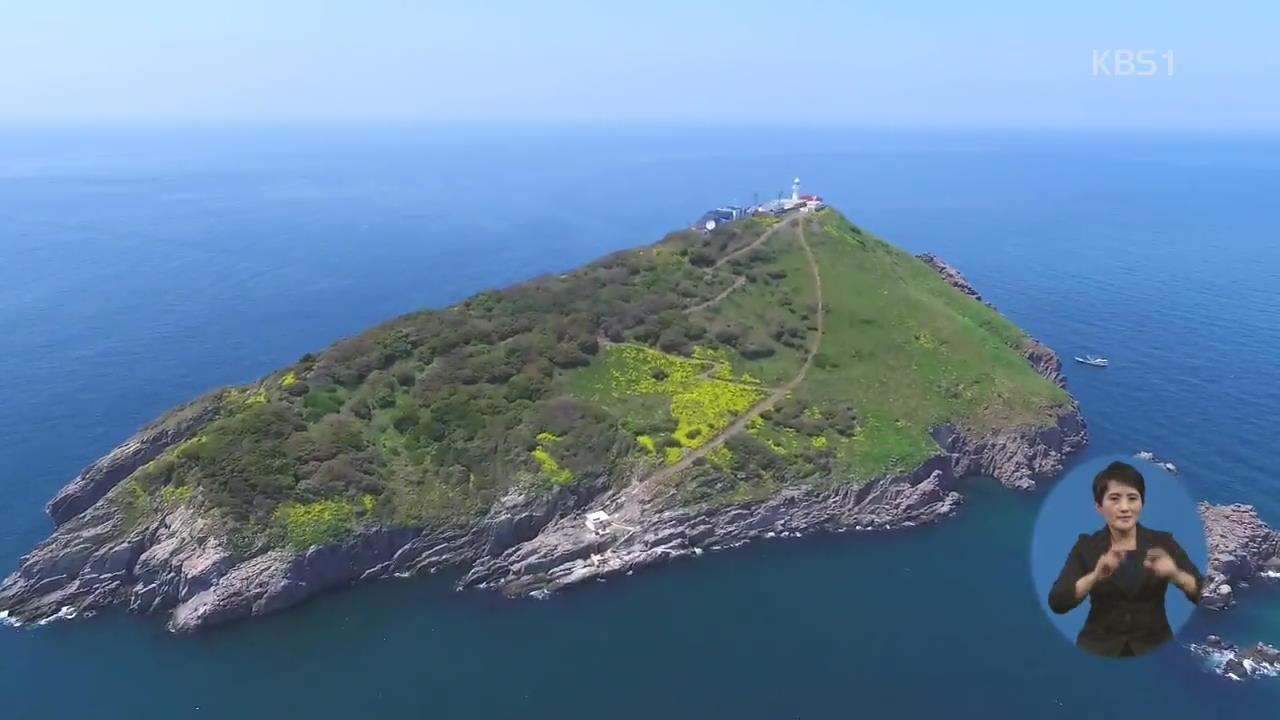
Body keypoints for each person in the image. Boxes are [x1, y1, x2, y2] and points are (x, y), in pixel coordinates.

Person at [1048, 461, 1203, 657]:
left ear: (1142, 503)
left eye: (1132, 498)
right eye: (1114, 499)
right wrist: (1094, 576)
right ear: (1099, 506)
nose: (1125, 508)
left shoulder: (1164, 544)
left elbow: (1202, 593)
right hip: (1097, 649)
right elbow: (1058, 602)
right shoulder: (1086, 547)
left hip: (1155, 651)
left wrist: (1176, 575)